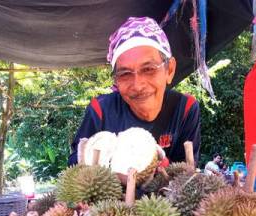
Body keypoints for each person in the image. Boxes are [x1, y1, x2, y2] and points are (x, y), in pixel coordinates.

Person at [68, 17, 201, 166]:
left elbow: (186, 170)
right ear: (116, 80)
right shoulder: (101, 110)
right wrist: (108, 159)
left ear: (169, 70)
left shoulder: (185, 108)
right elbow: (74, 164)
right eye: (125, 73)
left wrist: (157, 164)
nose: (137, 85)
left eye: (149, 69)